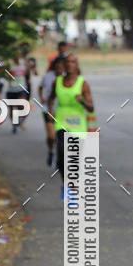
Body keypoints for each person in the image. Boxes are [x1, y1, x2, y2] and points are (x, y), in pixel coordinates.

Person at [48, 52, 94, 198]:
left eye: (73, 62)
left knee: (74, 159)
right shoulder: (57, 82)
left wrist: (82, 101)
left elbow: (91, 108)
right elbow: (51, 98)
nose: (69, 64)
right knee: (62, 156)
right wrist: (50, 111)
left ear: (77, 65)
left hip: (78, 125)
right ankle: (67, 186)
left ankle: (73, 187)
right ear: (64, 65)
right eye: (67, 62)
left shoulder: (83, 84)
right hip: (61, 123)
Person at [38, 56, 65, 167]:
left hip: (62, 112)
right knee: (52, 137)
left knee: (61, 139)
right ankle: (50, 151)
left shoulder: (67, 78)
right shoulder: (48, 77)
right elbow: (40, 87)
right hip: (48, 111)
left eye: (61, 67)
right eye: (57, 67)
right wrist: (42, 98)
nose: (59, 69)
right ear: (54, 67)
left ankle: (59, 160)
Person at [6, 49, 29, 133]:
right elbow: (6, 76)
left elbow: (28, 73)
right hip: (11, 89)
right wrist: (9, 74)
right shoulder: (9, 64)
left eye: (18, 55)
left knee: (23, 105)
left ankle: (21, 120)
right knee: (12, 109)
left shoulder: (24, 63)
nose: (17, 56)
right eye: (15, 55)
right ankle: (14, 125)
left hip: (21, 88)